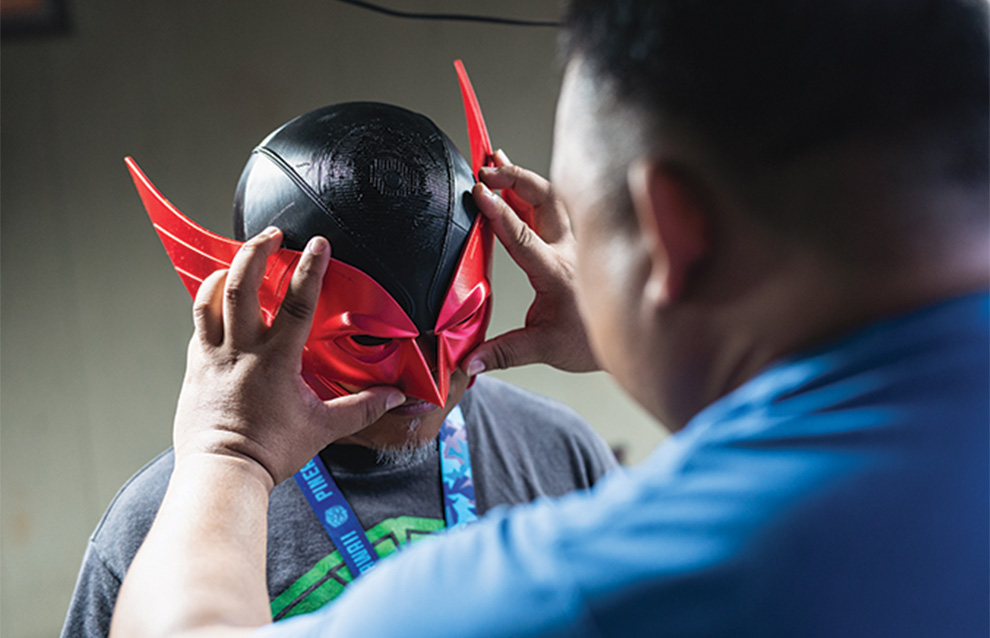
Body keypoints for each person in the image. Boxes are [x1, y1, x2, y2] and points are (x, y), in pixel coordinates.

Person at [110, 0, 990, 636]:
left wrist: (227, 451)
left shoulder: (579, 589)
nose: (425, 379)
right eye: (372, 339)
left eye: (590, 226)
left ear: (668, 233)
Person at [61, 102, 617, 638]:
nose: (427, 382)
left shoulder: (559, 452)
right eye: (370, 338)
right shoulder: (156, 532)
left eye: (461, 318)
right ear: (264, 312)